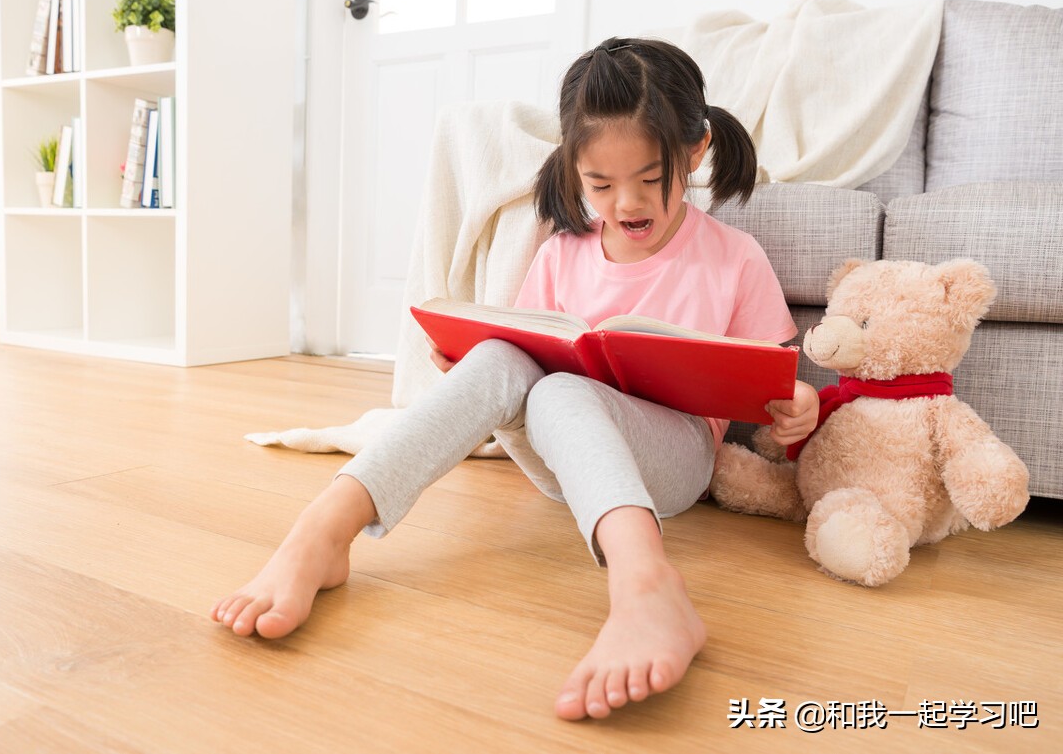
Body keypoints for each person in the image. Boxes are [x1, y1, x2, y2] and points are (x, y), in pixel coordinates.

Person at [209, 38, 820, 721]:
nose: (627, 203)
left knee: (560, 389)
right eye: (601, 184)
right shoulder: (563, 251)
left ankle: (646, 584)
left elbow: (774, 376)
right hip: (560, 458)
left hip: (671, 464)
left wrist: (798, 405)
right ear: (573, 170)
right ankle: (323, 531)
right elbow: (531, 346)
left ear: (696, 151)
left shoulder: (734, 258)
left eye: (651, 179)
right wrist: (472, 364)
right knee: (510, 363)